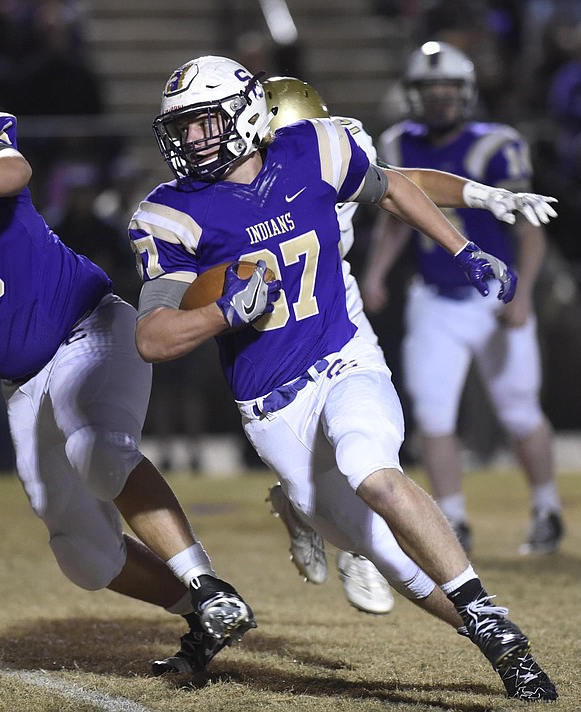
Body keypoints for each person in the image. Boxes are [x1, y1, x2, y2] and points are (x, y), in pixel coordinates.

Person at [129, 55, 557, 701]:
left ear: (246, 112)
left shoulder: (317, 147)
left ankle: (502, 641)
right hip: (272, 409)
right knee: (385, 555)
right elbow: (151, 338)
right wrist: (221, 311)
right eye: (182, 129)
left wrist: (463, 246)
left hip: (343, 357)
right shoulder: (170, 215)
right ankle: (489, 625)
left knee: (371, 468)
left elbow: (396, 186)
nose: (191, 141)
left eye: (204, 123)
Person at [0, 107, 255, 676]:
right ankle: (205, 612)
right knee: (83, 556)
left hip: (89, 328)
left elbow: (15, 168)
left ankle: (205, 582)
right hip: (22, 385)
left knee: (98, 448)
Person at [261, 76, 559, 615]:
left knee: (367, 443)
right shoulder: (229, 179)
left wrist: (484, 198)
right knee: (308, 481)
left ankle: (363, 540)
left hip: (333, 304)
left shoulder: (335, 147)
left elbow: (399, 184)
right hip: (263, 327)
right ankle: (301, 508)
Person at [362, 41, 565, 556]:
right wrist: (377, 272)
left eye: (448, 90)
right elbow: (398, 219)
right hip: (434, 297)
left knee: (519, 412)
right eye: (430, 91)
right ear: (413, 95)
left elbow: (529, 228)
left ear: (467, 93)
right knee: (433, 416)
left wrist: (524, 294)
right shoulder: (399, 142)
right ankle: (453, 520)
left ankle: (546, 509)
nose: (439, 101)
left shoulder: (497, 143)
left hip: (496, 297)